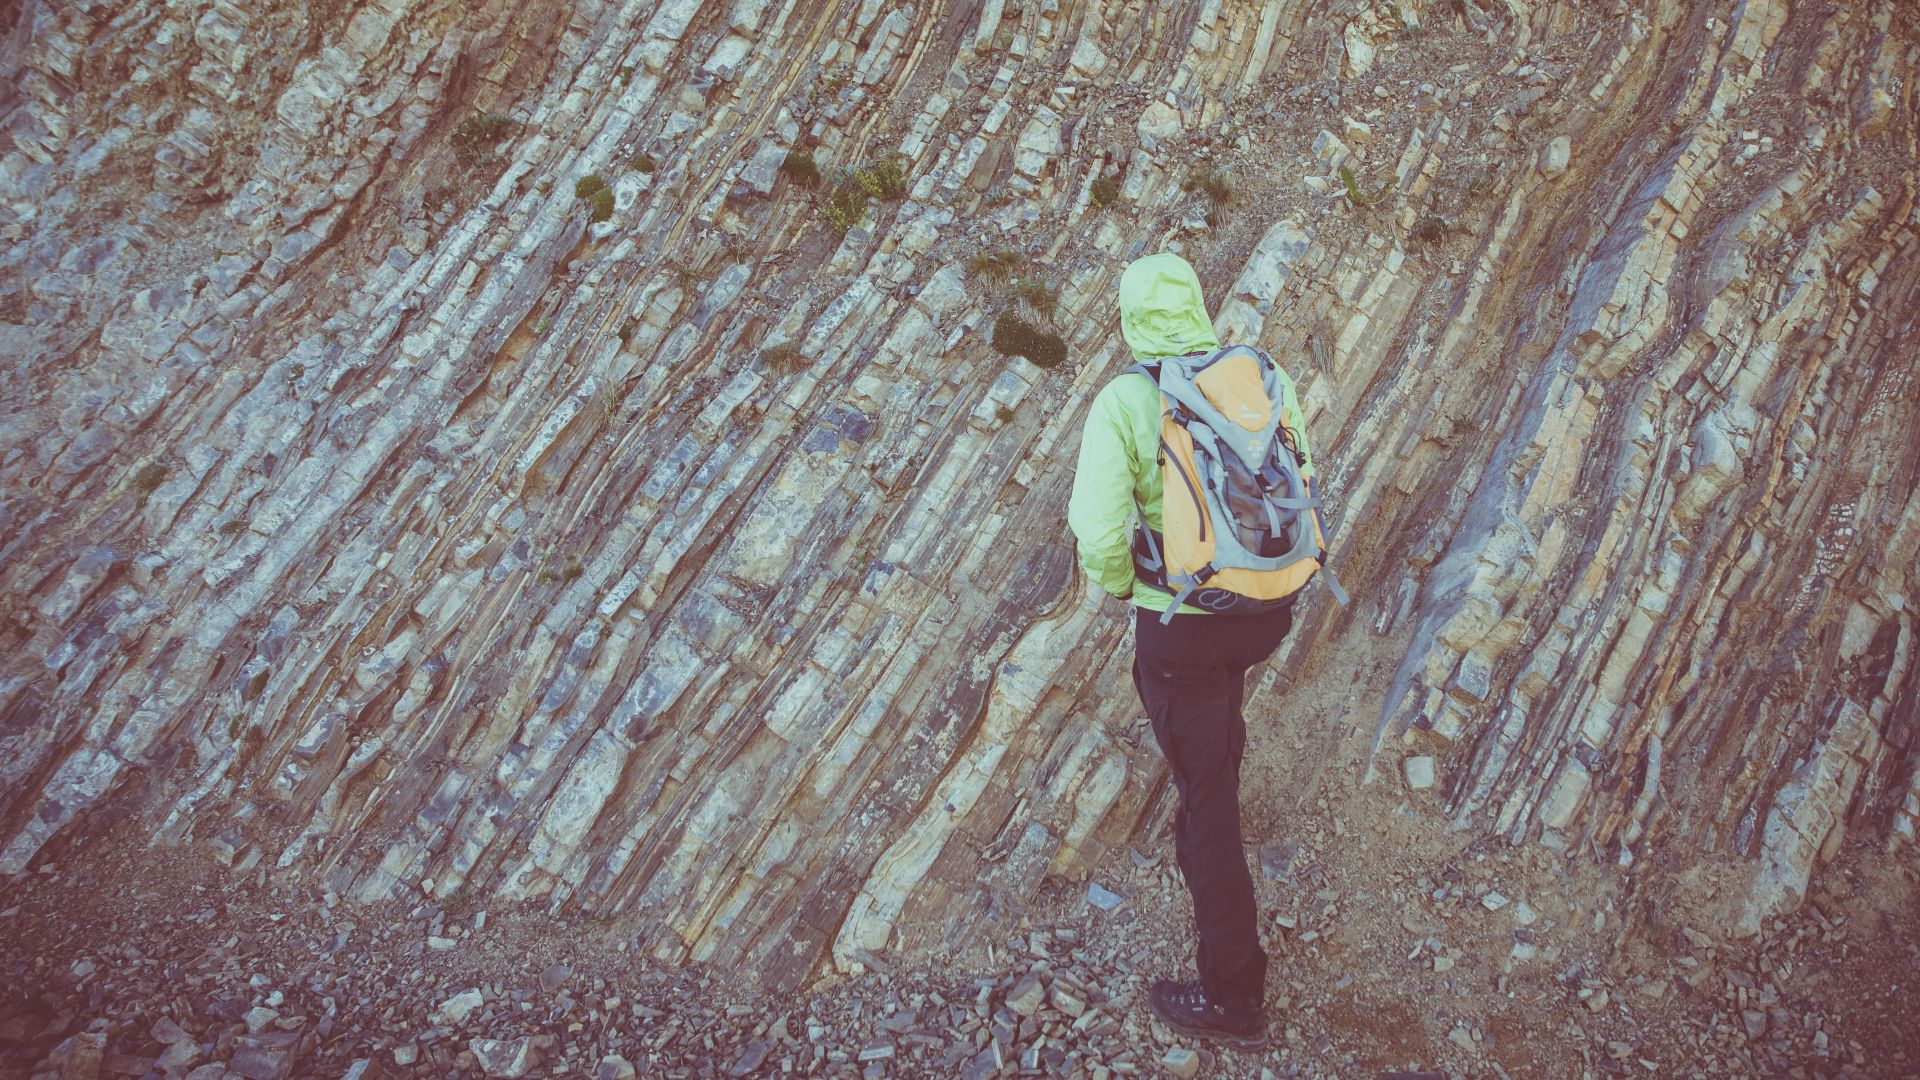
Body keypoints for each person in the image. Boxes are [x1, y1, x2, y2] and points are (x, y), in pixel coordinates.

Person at [1067, 252, 1319, 1050]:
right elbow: (1301, 473)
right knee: (1218, 721)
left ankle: (1235, 999)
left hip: (1184, 629)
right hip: (1266, 611)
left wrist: (1125, 588)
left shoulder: (1127, 400)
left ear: (1131, 318)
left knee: (1206, 805)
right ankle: (1219, 752)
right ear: (1197, 309)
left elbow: (1098, 531)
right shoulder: (1254, 375)